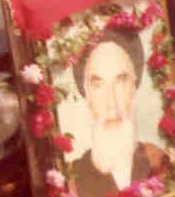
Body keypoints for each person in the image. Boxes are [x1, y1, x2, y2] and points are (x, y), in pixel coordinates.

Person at [68, 29, 169, 197]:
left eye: (120, 81)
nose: (111, 102)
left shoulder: (159, 161)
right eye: (98, 85)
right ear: (87, 94)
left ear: (133, 87)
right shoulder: (73, 180)